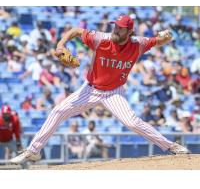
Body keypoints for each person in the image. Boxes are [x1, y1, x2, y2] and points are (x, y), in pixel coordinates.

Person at [10, 14, 189, 164]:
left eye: (120, 28)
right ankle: (34, 150)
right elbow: (76, 31)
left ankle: (171, 146)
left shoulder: (138, 43)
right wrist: (60, 44)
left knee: (132, 122)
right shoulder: (101, 39)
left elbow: (159, 41)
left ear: (129, 31)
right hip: (90, 89)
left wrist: (168, 35)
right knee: (58, 111)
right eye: (115, 26)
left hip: (114, 92)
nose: (116, 30)